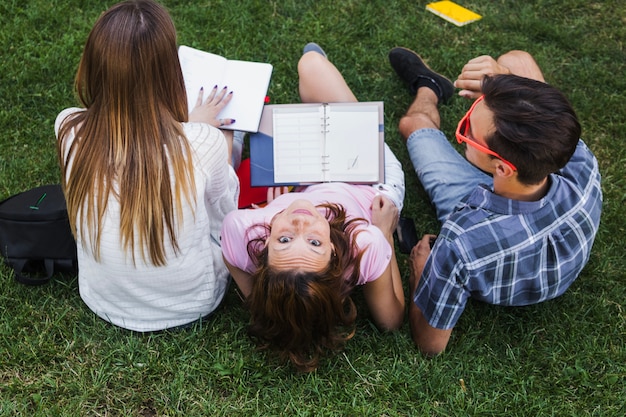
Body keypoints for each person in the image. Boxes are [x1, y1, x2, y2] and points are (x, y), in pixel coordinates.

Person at [388, 47, 602, 355]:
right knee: (518, 60)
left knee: (414, 126)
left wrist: (420, 272)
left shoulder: (464, 240)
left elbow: (429, 344)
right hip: (533, 210)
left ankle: (429, 87)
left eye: (467, 132)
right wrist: (504, 83)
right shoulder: (581, 163)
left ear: (502, 168)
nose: (462, 129)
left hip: (495, 230)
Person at [55, 0, 240, 332]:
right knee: (233, 143)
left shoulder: (68, 127)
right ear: (169, 71)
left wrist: (189, 130)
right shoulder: (202, 142)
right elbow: (226, 212)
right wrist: (211, 133)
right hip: (193, 302)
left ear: (94, 65)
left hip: (102, 298)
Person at [221, 43, 406, 372]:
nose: (299, 226)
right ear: (335, 256)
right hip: (367, 178)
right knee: (312, 65)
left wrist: (275, 203)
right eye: (315, 243)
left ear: (262, 254)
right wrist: (385, 231)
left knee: (310, 72)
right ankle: (323, 85)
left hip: (303, 177)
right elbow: (391, 320)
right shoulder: (364, 244)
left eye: (284, 240)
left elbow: (256, 297)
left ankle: (317, 90)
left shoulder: (241, 230)